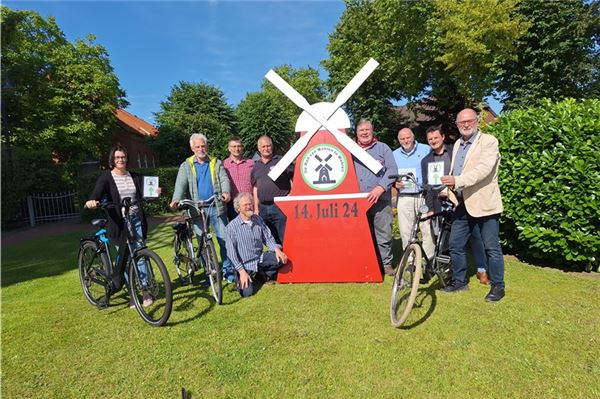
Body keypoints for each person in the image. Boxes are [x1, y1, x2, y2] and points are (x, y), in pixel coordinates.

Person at [441, 108, 505, 301]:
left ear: (477, 121)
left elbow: (483, 170)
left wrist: (457, 181)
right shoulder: (458, 144)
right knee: (455, 245)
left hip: (484, 203)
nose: (466, 125)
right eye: (462, 123)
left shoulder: (489, 141)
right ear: (458, 125)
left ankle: (498, 287)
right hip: (461, 204)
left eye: (469, 121)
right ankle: (460, 282)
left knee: (491, 247)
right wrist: (447, 191)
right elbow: (455, 170)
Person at [85, 144, 155, 307]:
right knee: (124, 258)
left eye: (122, 157)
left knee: (139, 253)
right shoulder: (106, 178)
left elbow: (147, 192)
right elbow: (96, 194)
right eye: (117, 157)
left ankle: (145, 290)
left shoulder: (135, 176)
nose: (120, 160)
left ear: (126, 158)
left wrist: (155, 192)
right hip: (118, 222)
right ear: (112, 160)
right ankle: (132, 293)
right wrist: (91, 201)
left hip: (135, 219)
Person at [421, 125, 489, 285]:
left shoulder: (455, 153)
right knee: (444, 241)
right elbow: (427, 187)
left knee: (474, 237)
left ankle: (482, 269)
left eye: (436, 137)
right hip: (439, 206)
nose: (433, 141)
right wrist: (430, 208)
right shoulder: (426, 161)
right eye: (430, 139)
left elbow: (464, 175)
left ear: (443, 137)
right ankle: (449, 271)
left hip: (460, 202)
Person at [169, 133, 234, 283]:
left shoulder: (215, 162)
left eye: (203, 146)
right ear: (192, 148)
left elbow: (224, 178)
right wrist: (176, 199)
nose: (200, 149)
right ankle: (210, 272)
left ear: (207, 146)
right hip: (197, 210)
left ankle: (227, 270)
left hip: (215, 206)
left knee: (224, 239)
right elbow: (180, 184)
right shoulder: (186, 165)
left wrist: (225, 192)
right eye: (197, 146)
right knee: (202, 243)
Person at [353, 119, 398, 276]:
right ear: (356, 133)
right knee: (362, 234)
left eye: (367, 129)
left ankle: (385, 264)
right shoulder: (350, 151)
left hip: (380, 199)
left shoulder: (383, 148)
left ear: (372, 132)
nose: (365, 132)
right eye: (361, 130)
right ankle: (367, 262)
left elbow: (392, 170)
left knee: (383, 232)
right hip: (358, 202)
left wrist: (380, 188)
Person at [226, 192, 288, 298]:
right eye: (245, 205)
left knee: (282, 259)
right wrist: (241, 272)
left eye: (250, 204)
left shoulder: (258, 219)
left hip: (259, 259)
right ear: (238, 208)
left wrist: (276, 250)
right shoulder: (232, 227)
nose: (248, 207)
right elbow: (231, 254)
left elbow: (267, 238)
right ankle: (244, 278)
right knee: (247, 293)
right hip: (244, 265)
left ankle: (261, 276)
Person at [393, 127, 435, 262]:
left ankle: (428, 261)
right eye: (402, 139)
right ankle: (410, 261)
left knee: (427, 229)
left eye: (408, 137)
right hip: (404, 197)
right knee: (406, 232)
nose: (406, 141)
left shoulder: (426, 149)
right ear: (399, 140)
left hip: (423, 196)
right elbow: (391, 176)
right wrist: (395, 184)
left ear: (413, 137)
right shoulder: (394, 155)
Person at [251, 135, 293, 245]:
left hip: (280, 206)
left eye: (268, 146)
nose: (266, 148)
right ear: (259, 148)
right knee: (270, 240)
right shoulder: (256, 166)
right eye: (263, 146)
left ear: (272, 146)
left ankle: (290, 261)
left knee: (285, 237)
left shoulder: (281, 161)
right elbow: (255, 187)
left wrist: (292, 194)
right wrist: (256, 208)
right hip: (263, 208)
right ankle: (276, 260)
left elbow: (295, 177)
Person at [223, 137, 254, 222]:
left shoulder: (251, 163)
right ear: (229, 148)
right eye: (234, 146)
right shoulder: (223, 165)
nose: (237, 149)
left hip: (249, 203)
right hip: (233, 204)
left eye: (239, 146)